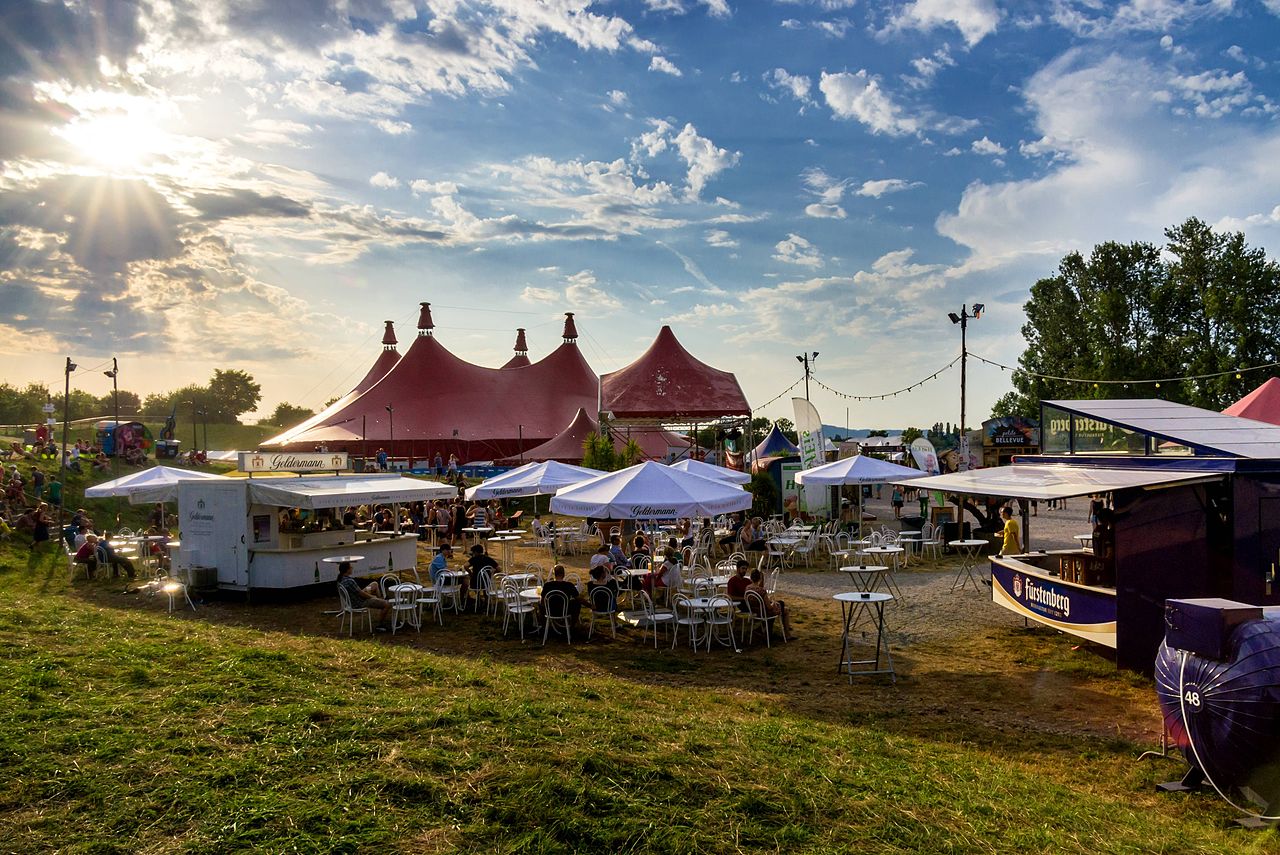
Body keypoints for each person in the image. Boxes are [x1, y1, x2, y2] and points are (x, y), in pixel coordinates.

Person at [336, 561, 393, 631]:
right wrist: (372, 597)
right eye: (351, 567)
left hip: (355, 598)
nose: (352, 568)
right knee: (387, 604)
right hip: (360, 602)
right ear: (347, 570)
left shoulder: (341, 579)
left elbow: (358, 591)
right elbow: (361, 594)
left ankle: (380, 600)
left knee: (374, 584)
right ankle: (380, 625)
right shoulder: (350, 581)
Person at [745, 568, 793, 637]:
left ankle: (767, 630)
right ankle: (786, 633)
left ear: (751, 578)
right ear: (760, 579)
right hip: (765, 613)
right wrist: (773, 602)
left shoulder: (747, 588)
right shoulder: (762, 591)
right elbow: (769, 607)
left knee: (783, 608)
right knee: (782, 605)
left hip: (755, 611)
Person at [540, 563, 582, 629]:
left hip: (550, 611)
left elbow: (542, 600)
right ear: (564, 574)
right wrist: (590, 605)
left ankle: (544, 626)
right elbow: (578, 598)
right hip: (565, 611)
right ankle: (572, 626)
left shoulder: (547, 585)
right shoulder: (569, 585)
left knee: (540, 605)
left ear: (555, 575)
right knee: (577, 603)